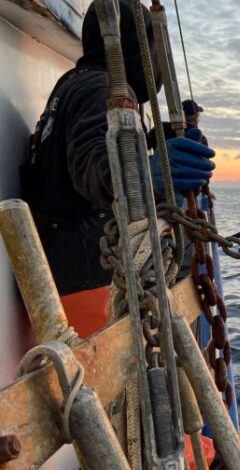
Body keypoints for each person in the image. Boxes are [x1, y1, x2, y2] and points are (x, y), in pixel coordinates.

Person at [21, 0, 215, 338]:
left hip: (64, 268)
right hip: (89, 284)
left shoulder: (75, 82)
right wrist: (149, 172)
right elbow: (94, 166)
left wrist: (161, 137)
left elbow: (100, 143)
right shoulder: (103, 89)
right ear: (139, 46)